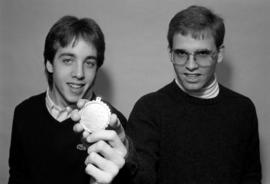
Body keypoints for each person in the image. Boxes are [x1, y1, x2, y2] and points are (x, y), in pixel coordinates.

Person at [126, 5, 262, 184]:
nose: (191, 65)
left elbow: (251, 177)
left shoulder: (243, 110)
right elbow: (141, 179)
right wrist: (127, 155)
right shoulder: (149, 109)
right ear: (170, 54)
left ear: (219, 54)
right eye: (181, 53)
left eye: (202, 54)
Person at [8, 15, 128, 184]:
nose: (79, 73)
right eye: (68, 60)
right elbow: (17, 177)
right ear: (49, 63)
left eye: (89, 63)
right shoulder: (24, 113)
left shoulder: (113, 124)